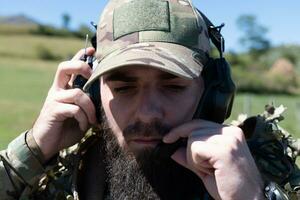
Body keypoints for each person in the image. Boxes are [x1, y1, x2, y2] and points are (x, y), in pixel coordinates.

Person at [0, 0, 299, 199]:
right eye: (123, 88)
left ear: (213, 95)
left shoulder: (270, 163)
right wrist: (33, 150)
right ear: (91, 92)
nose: (146, 113)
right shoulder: (53, 173)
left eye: (173, 87)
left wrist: (254, 194)